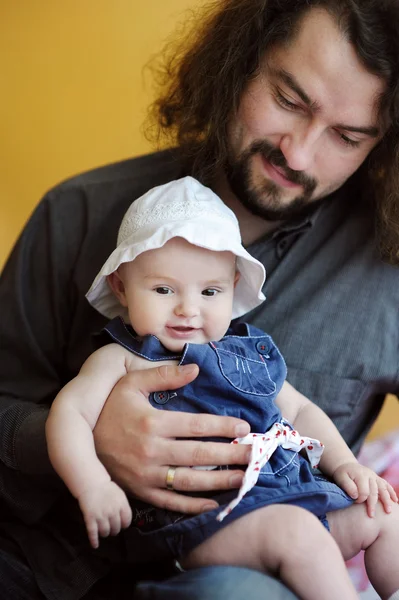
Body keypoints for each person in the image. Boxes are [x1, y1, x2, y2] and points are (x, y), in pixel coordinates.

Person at [1, 0, 399, 598]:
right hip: (48, 567)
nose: (299, 153)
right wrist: (88, 443)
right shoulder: (78, 213)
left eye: (346, 136)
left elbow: (303, 416)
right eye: (289, 101)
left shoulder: (385, 271)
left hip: (257, 563)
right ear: (241, 63)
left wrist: (351, 474)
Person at [46, 176, 398, 600]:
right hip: (202, 525)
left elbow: (301, 412)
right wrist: (94, 486)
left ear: (232, 287)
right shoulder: (122, 358)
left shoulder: (246, 351)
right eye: (163, 289)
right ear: (121, 286)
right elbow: (67, 415)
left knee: (382, 513)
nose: (188, 309)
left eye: (210, 291)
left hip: (295, 495)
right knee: (298, 533)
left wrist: (344, 466)